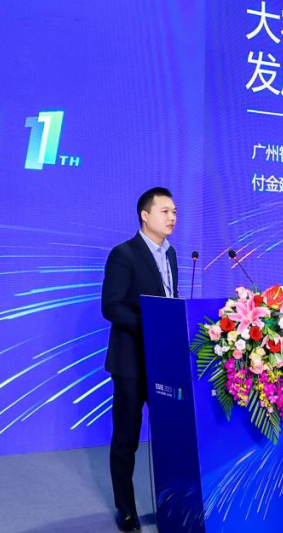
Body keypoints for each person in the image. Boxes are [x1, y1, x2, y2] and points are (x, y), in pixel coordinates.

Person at [101, 186, 179, 532]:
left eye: (174, 212)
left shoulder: (172, 255)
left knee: (170, 437)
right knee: (126, 439)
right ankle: (127, 510)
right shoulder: (124, 254)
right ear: (145, 216)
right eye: (165, 211)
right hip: (131, 364)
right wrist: (152, 324)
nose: (172, 217)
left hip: (164, 363)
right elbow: (111, 306)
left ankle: (173, 504)